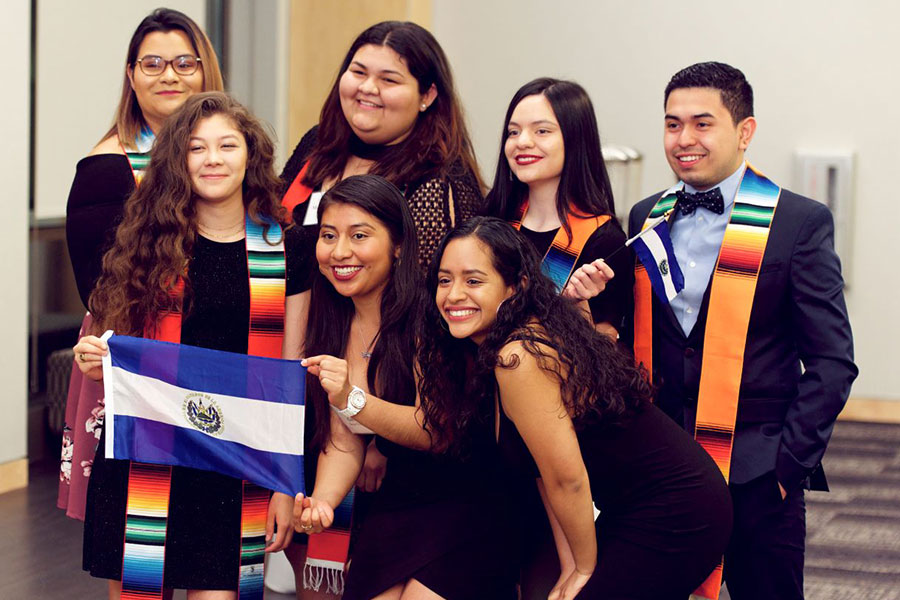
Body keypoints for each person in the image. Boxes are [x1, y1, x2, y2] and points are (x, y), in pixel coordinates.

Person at [628, 62, 858, 599]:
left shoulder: (798, 222)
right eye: (672, 124)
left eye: (702, 123)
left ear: (744, 131)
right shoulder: (646, 218)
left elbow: (832, 361)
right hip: (664, 467)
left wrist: (787, 466)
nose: (684, 139)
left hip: (759, 474)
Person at [415, 217, 732, 599]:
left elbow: (567, 479)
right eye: (445, 280)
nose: (453, 295)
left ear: (516, 287)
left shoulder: (520, 356)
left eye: (473, 281)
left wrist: (584, 568)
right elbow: (541, 472)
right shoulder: (500, 347)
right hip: (634, 506)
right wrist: (570, 567)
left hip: (679, 509)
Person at [278, 20, 484, 593]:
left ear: (427, 95)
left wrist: (370, 431)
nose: (367, 88)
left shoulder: (439, 180)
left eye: (389, 79)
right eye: (358, 71)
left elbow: (442, 326)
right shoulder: (314, 151)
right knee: (309, 566)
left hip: (401, 429)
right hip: (316, 378)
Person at [73, 92, 306, 600]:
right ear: (177, 161)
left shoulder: (286, 249)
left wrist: (286, 487)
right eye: (197, 148)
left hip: (234, 470)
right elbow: (114, 351)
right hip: (145, 462)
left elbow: (289, 377)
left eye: (227, 145)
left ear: (252, 155)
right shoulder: (143, 242)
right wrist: (96, 361)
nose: (213, 159)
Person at [288, 176, 518, 600]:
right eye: (328, 235)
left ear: (397, 245)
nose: (340, 252)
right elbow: (343, 436)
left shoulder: (429, 312)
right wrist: (323, 501)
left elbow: (434, 429)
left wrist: (352, 400)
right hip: (402, 499)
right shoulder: (332, 319)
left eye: (359, 236)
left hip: (472, 498)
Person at [59, 7, 224, 522]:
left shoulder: (226, 152)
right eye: (152, 64)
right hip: (138, 363)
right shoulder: (107, 168)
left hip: (217, 358)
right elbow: (102, 292)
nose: (169, 75)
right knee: (139, 541)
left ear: (205, 72)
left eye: (183, 62)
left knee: (206, 533)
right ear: (131, 76)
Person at [482, 78, 632, 339]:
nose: (522, 142)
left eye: (542, 131)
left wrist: (576, 304)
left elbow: (607, 348)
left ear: (576, 140)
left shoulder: (604, 240)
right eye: (513, 132)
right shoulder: (493, 218)